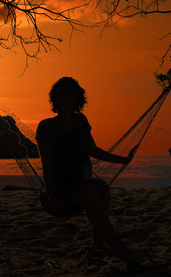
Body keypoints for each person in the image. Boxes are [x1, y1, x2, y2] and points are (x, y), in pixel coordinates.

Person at [36, 77, 135, 259]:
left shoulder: (80, 121)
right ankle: (121, 249)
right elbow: (47, 164)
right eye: (62, 92)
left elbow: (93, 150)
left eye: (70, 92)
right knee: (90, 189)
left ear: (77, 98)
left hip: (81, 180)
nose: (66, 96)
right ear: (55, 98)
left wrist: (124, 160)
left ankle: (97, 242)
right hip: (60, 186)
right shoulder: (46, 126)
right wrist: (51, 194)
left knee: (102, 187)